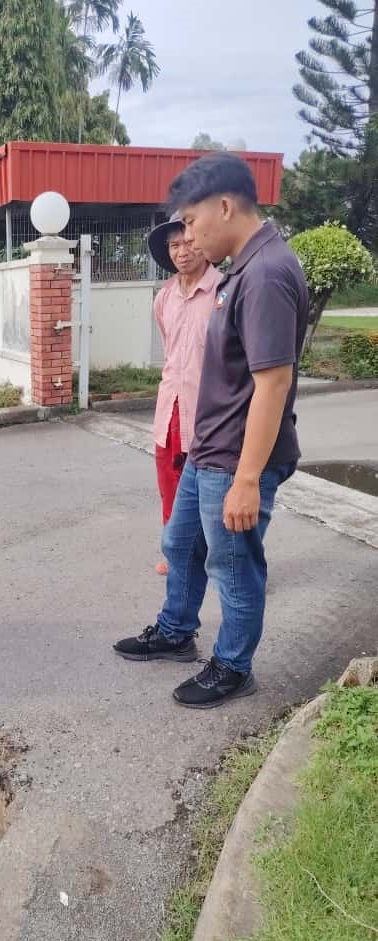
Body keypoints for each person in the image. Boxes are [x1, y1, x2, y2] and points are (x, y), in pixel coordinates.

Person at [114, 153, 308, 709]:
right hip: (208, 449)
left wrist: (248, 479)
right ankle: (176, 631)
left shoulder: (267, 274)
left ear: (225, 206)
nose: (189, 235)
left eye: (193, 221)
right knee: (179, 544)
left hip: (236, 460)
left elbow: (272, 385)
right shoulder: (243, 270)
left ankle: (233, 665)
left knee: (233, 564)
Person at [148, 212, 221, 574]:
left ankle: (221, 558)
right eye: (174, 245)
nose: (182, 252)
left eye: (189, 242)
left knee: (213, 490)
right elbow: (170, 352)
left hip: (210, 412)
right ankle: (174, 552)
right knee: (169, 484)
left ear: (204, 244)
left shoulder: (224, 293)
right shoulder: (164, 298)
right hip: (170, 408)